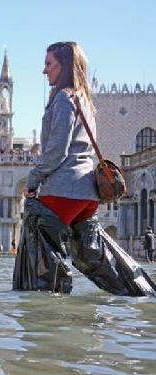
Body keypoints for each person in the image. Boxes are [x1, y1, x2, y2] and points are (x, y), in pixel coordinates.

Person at [14, 41, 155, 296]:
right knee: (97, 259)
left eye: (48, 64)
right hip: (87, 194)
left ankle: (49, 316)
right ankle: (142, 294)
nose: (43, 71)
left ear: (64, 65)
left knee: (43, 260)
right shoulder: (86, 100)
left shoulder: (63, 99)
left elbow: (57, 150)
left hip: (62, 190)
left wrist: (33, 181)